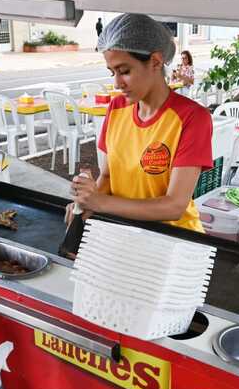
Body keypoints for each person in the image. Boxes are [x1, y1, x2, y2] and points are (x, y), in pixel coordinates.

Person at [67, 13, 213, 232]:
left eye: (124, 71)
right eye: (112, 72)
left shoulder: (192, 117)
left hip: (176, 237)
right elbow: (107, 176)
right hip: (125, 229)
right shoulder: (117, 108)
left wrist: (100, 202)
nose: (117, 83)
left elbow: (174, 206)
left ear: (155, 61)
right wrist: (86, 204)